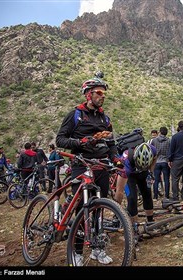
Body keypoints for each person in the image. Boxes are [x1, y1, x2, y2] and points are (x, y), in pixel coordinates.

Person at [56, 76, 118, 265]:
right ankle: (77, 252)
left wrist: (115, 158)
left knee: (99, 209)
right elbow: (60, 140)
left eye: (104, 93)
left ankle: (98, 249)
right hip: (81, 164)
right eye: (99, 92)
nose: (102, 96)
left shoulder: (104, 118)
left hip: (100, 166)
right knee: (81, 210)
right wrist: (79, 142)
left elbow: (111, 142)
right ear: (88, 94)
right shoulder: (75, 114)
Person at [122, 143, 157, 225]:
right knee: (131, 198)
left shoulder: (153, 150)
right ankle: (134, 226)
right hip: (129, 175)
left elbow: (155, 158)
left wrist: (151, 172)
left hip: (144, 174)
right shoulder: (126, 159)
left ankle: (150, 221)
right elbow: (121, 187)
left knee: (148, 194)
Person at [168, 120, 183, 201]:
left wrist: (170, 160)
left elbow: (171, 150)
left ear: (178, 127)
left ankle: (175, 197)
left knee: (175, 179)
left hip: (177, 160)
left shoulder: (175, 137)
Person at [151, 127, 171, 199]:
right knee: (166, 179)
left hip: (156, 162)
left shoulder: (154, 140)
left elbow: (151, 151)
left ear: (159, 132)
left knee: (156, 179)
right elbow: (170, 151)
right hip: (165, 161)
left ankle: (155, 196)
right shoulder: (169, 141)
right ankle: (167, 195)